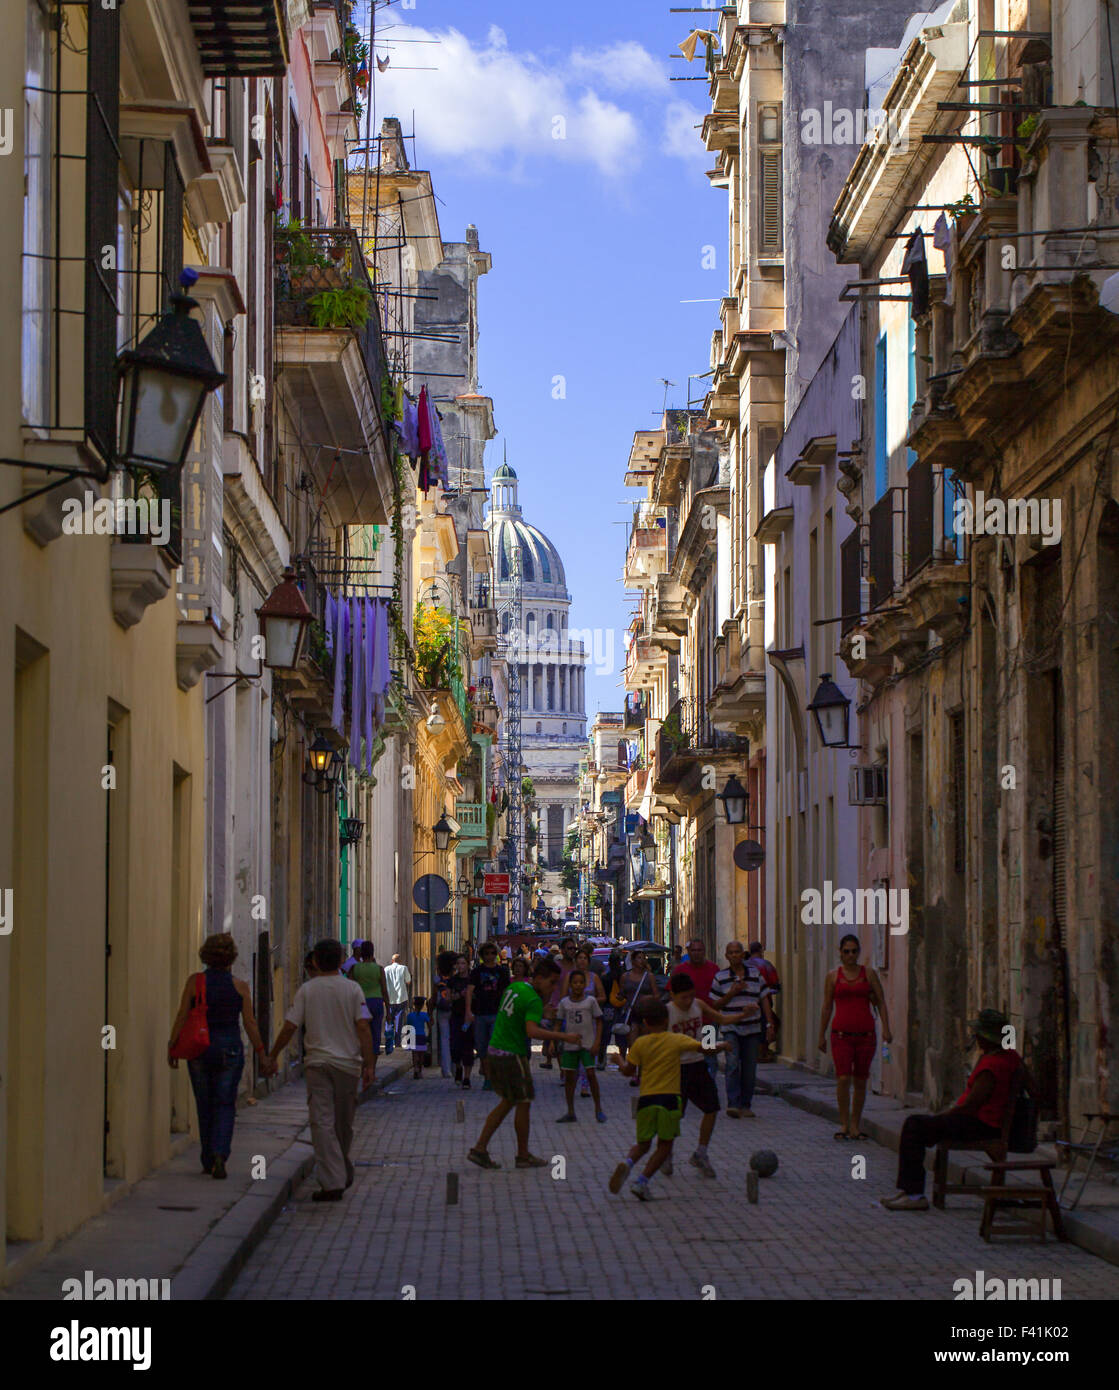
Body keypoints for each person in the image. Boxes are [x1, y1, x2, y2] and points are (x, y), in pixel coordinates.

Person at [264, 939, 374, 1202]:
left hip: (318, 1063)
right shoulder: (353, 990)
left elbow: (290, 1026)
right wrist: (369, 1064)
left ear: (314, 962)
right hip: (347, 1065)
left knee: (325, 1123)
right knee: (340, 1123)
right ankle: (333, 1180)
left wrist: (272, 1055)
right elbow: (363, 1027)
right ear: (340, 961)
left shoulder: (307, 990)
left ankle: (338, 1170)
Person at [882, 1009, 1025, 1211]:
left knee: (914, 1125)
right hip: (983, 1121)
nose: (976, 1039)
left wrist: (946, 1115)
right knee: (921, 1124)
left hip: (979, 1124)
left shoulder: (992, 1065)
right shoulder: (1011, 1057)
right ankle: (909, 1191)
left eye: (978, 1035)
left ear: (986, 1037)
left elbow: (971, 1106)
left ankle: (913, 1194)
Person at [168, 933, 269, 1180]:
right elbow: (250, 1023)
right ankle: (220, 1154)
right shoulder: (240, 987)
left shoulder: (195, 982)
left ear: (206, 956)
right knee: (225, 1103)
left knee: (205, 1104)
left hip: (199, 1049)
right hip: (230, 1049)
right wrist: (261, 1053)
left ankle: (206, 1157)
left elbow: (182, 1015)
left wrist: (172, 1045)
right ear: (231, 958)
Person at [609, 1002, 730, 1200]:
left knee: (643, 1144)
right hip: (669, 1100)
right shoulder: (676, 1040)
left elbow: (627, 1072)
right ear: (667, 1021)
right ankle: (641, 1181)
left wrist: (618, 1060)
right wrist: (722, 1045)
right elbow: (704, 1049)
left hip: (646, 1100)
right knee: (664, 1146)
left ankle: (629, 1163)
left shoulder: (640, 1044)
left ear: (646, 1023)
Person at [467, 958, 578, 1170]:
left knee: (511, 1101)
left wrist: (543, 1013)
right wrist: (563, 1037)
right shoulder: (534, 1000)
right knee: (520, 1100)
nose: (553, 987)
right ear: (538, 978)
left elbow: (515, 1014)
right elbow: (532, 1031)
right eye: (552, 982)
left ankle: (486, 1149)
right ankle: (516, 1154)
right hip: (512, 1054)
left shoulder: (516, 987)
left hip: (496, 1049)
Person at [666, 972, 742, 1178]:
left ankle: (701, 1152)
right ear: (672, 994)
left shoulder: (698, 1006)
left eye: (690, 996)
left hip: (697, 1064)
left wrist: (744, 1015)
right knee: (675, 1115)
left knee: (712, 1108)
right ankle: (666, 1153)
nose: (687, 1001)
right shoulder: (667, 1013)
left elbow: (720, 1020)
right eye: (683, 997)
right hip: (676, 1068)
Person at [817, 934, 892, 1140]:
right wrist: (821, 1035)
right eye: (846, 951)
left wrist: (886, 1028)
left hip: (866, 1035)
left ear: (859, 952)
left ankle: (855, 1125)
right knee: (843, 1078)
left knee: (860, 1080)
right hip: (840, 1035)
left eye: (854, 951)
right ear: (840, 953)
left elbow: (881, 1002)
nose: (850, 955)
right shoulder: (833, 976)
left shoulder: (869, 974)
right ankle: (843, 1123)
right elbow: (826, 1006)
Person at [710, 941, 776, 1118]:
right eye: (730, 953)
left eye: (737, 952)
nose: (734, 955)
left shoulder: (755, 975)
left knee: (749, 1068)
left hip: (753, 1028)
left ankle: (745, 1104)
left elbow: (764, 999)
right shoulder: (720, 977)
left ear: (743, 954)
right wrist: (731, 993)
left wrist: (769, 1023)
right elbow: (714, 1005)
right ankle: (733, 1103)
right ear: (726, 956)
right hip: (730, 1027)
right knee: (732, 1065)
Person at [555, 970, 605, 1123]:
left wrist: (597, 1042)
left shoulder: (591, 1001)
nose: (578, 986)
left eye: (581, 982)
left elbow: (599, 1021)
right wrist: (553, 1042)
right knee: (570, 1078)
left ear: (585, 985)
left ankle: (598, 1108)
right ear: (570, 985)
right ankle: (570, 1111)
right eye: (574, 982)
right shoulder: (564, 1003)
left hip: (588, 1045)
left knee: (591, 1074)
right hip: (570, 1046)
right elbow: (558, 1023)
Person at [466, 941, 510, 1091]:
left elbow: (506, 992)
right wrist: (468, 1011)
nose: (490, 956)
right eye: (487, 953)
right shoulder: (477, 972)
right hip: (480, 1013)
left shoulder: (502, 971)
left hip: (497, 1013)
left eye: (492, 953)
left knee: (494, 1046)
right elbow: (470, 992)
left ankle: (492, 1077)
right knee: (481, 1047)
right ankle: (487, 1075)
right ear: (482, 955)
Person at [348, 943, 387, 1084]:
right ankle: (372, 1070)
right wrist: (388, 1010)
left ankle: (362, 1068)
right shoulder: (378, 969)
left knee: (360, 1035)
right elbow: (384, 989)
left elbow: (349, 986)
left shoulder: (354, 968)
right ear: (372, 952)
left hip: (361, 1003)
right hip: (376, 1003)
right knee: (375, 1036)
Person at [618, 949, 659, 1078]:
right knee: (633, 1043)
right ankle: (634, 1072)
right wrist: (619, 997)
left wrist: (650, 1001)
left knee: (644, 1043)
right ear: (633, 961)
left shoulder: (649, 976)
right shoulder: (625, 977)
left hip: (645, 1013)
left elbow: (656, 994)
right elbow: (622, 993)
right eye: (639, 958)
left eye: (643, 958)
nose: (642, 960)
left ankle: (642, 1072)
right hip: (632, 1012)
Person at [541, 936, 579, 1069]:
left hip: (575, 1007)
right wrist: (546, 1005)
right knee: (557, 1041)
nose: (573, 951)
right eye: (570, 948)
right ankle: (563, 1070)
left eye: (574, 948)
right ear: (562, 950)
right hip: (557, 1007)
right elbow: (547, 986)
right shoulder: (556, 967)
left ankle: (566, 1069)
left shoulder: (578, 967)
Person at [749, 941, 781, 1060]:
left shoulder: (745, 965)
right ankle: (762, 1052)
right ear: (761, 951)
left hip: (747, 1003)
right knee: (769, 1025)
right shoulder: (766, 965)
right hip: (763, 1003)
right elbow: (775, 985)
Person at [449, 953, 476, 1088]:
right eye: (458, 963)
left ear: (468, 964)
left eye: (463, 963)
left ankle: (466, 1078)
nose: (460, 966)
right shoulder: (453, 980)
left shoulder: (472, 980)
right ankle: (458, 1067)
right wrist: (460, 994)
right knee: (455, 1047)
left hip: (469, 1017)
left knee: (468, 1047)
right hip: (456, 1016)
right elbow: (448, 998)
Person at [429, 950, 457, 1079]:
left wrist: (430, 1013)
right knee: (455, 1038)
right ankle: (455, 1066)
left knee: (444, 1039)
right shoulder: (455, 978)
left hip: (441, 1010)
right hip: (455, 1009)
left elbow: (434, 997)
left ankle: (446, 1070)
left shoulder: (437, 979)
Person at [599, 949, 626, 1071]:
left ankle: (602, 1060)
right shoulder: (624, 976)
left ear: (609, 963)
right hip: (621, 1008)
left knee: (605, 1036)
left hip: (608, 1008)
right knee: (621, 1035)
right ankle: (623, 1060)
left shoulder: (605, 978)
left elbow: (603, 994)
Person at [384, 953, 412, 1055]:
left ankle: (389, 1041)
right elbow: (408, 981)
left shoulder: (386, 969)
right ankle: (397, 1042)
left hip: (389, 998)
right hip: (401, 997)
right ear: (400, 961)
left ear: (392, 961)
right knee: (399, 1020)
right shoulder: (403, 968)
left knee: (389, 1019)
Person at [405, 996, 430, 1079]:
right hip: (421, 1036)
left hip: (412, 1036)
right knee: (421, 1054)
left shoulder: (410, 1015)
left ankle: (415, 1069)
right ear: (423, 1005)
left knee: (414, 1054)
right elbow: (430, 1025)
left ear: (414, 1005)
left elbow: (408, 1027)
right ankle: (420, 1070)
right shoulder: (424, 1015)